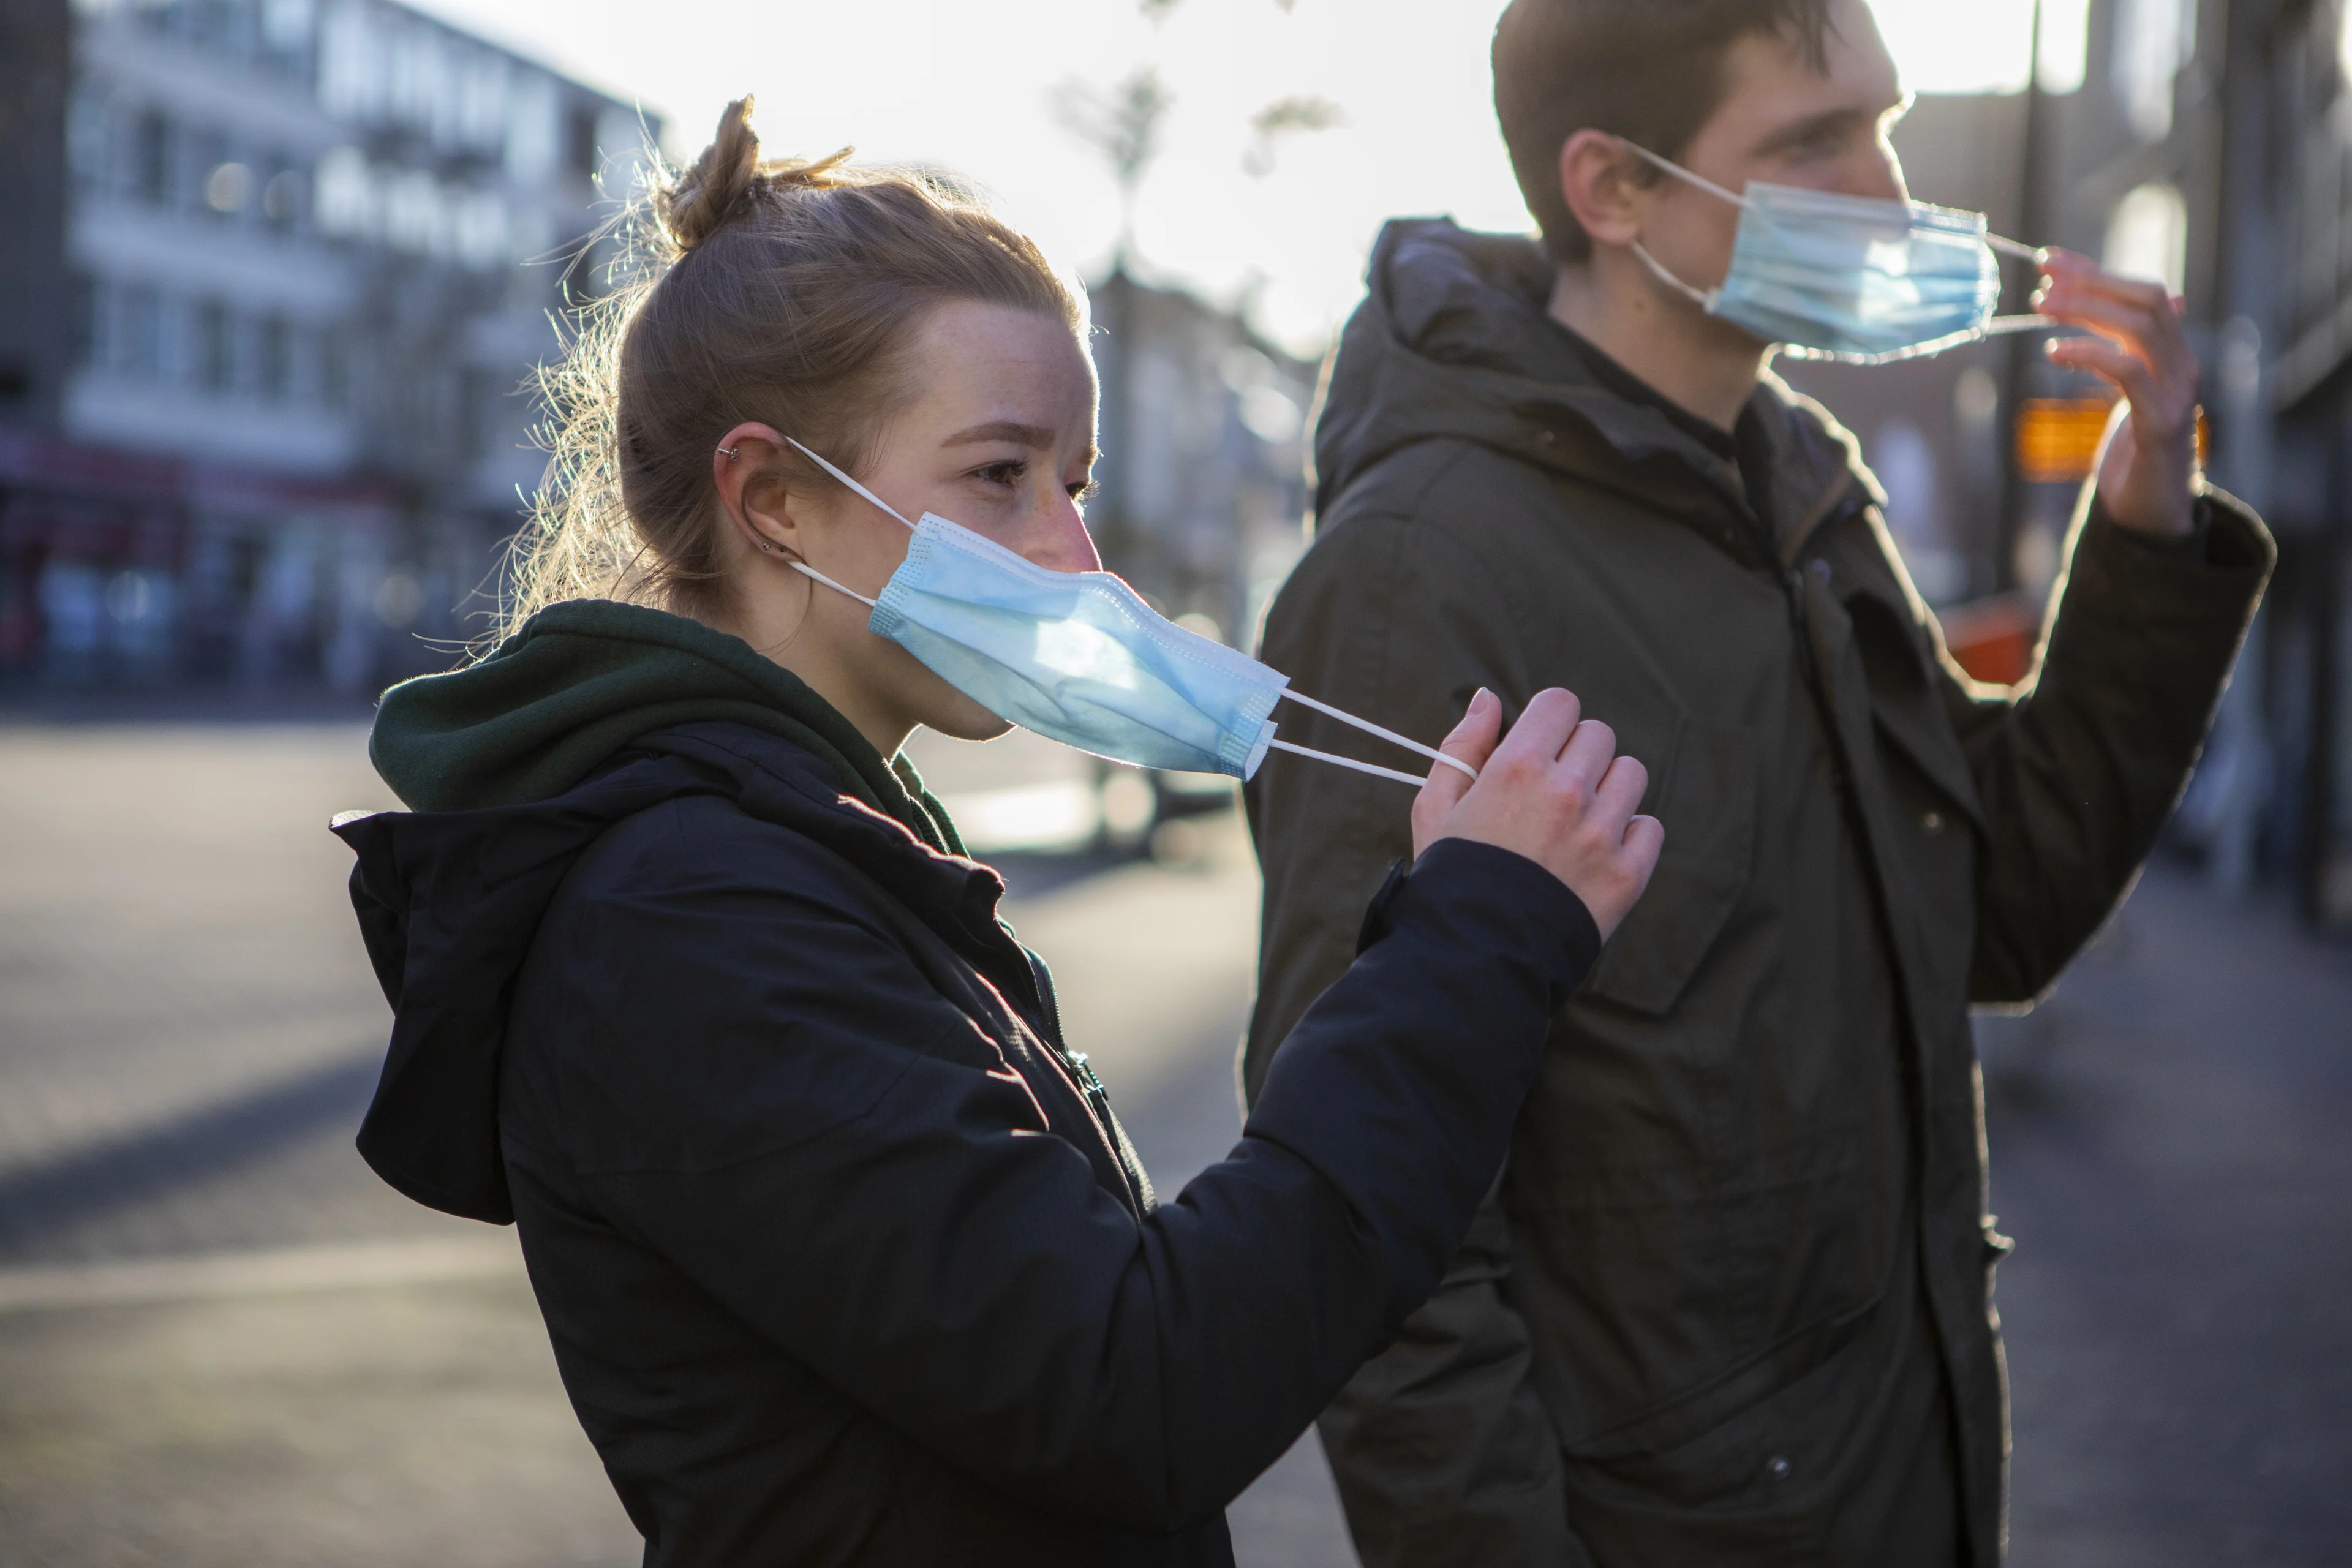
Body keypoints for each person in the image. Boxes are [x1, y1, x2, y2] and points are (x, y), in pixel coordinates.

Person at [330, 99, 1664, 1568]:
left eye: (1074, 482)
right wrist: (1475, 941)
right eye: (998, 475)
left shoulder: (811, 849)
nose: (1075, 557)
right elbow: (1136, 1383)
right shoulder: (689, 913)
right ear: (775, 500)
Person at [1242, 2, 2275, 1564]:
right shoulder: (1419, 573)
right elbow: (1375, 1240)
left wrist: (2143, 532)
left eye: (1884, 123)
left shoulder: (1800, 487)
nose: (1885, 187)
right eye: (1810, 144)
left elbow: (2004, 903)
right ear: (1614, 189)